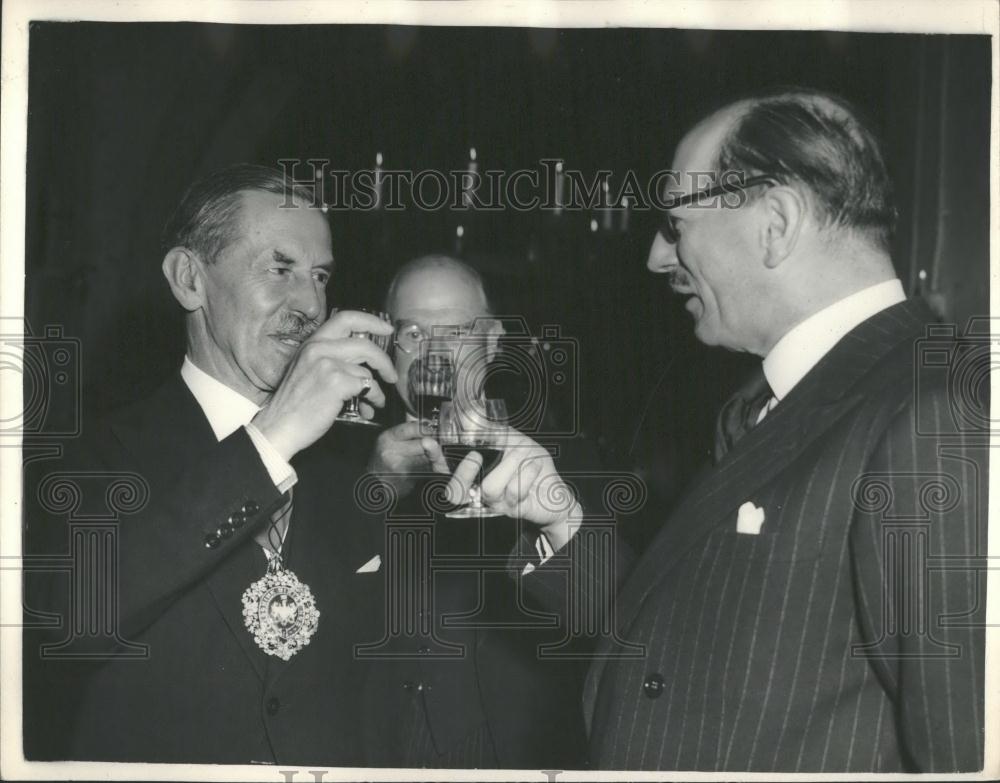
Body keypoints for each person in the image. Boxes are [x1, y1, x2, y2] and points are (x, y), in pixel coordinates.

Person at [444, 89, 986, 771]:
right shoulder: (788, 397)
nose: (654, 257)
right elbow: (700, 651)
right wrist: (560, 518)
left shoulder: (938, 410)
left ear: (775, 223)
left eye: (674, 224)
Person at [22, 164, 400, 764]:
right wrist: (270, 440)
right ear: (189, 280)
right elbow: (72, 617)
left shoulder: (349, 464)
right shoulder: (88, 455)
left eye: (320, 275)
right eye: (280, 269)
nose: (310, 304)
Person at [360, 254, 590, 768]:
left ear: (492, 342)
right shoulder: (334, 460)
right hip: (363, 740)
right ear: (386, 344)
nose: (435, 352)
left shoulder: (561, 462)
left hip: (505, 747)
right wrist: (372, 496)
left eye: (457, 330)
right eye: (414, 331)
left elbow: (605, 620)